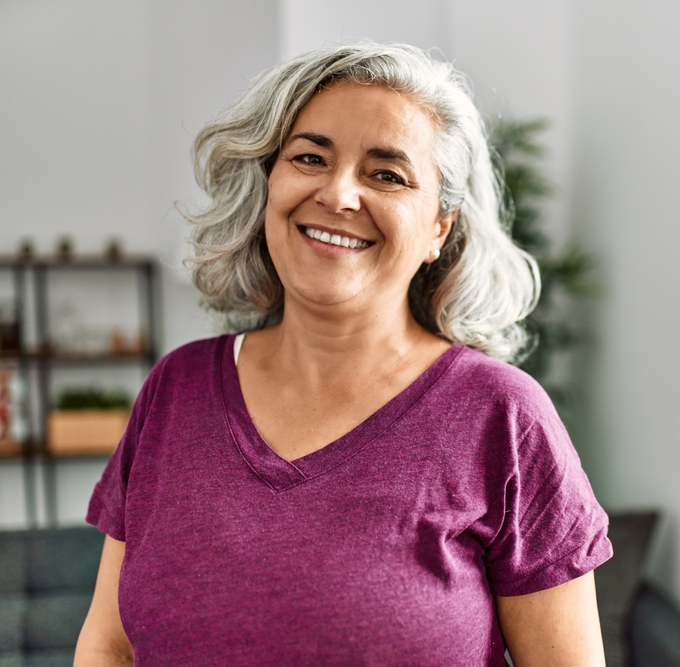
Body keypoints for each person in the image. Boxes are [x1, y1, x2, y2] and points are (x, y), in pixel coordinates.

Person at [74, 43, 611, 667]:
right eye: (309, 158)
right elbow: (109, 645)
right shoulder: (176, 388)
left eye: (387, 174)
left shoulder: (504, 416)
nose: (338, 194)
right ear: (269, 181)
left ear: (440, 227)